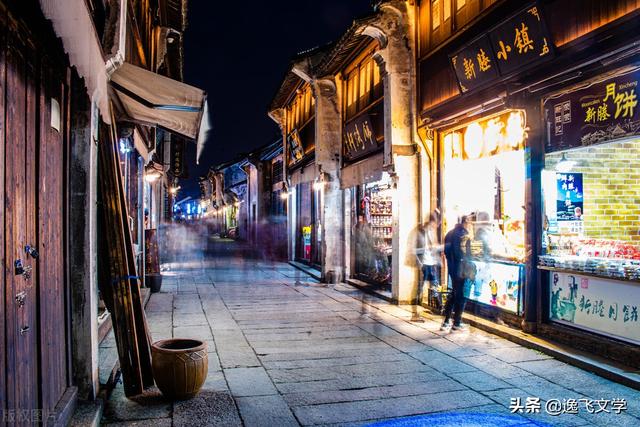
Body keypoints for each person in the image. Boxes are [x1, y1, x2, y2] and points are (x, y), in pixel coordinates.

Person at [442, 215, 473, 331]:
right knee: (461, 295)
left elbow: (446, 251)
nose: (470, 224)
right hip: (462, 269)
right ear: (465, 222)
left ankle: (446, 321)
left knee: (454, 293)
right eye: (469, 222)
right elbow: (467, 253)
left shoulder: (449, 233)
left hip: (452, 268)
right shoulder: (464, 235)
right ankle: (457, 322)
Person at [412, 211, 443, 321]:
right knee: (419, 289)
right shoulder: (422, 231)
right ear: (432, 222)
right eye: (436, 223)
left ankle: (439, 307)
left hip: (431, 263)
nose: (437, 226)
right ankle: (415, 313)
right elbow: (418, 248)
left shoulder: (431, 231)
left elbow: (432, 247)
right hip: (424, 264)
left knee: (435, 285)